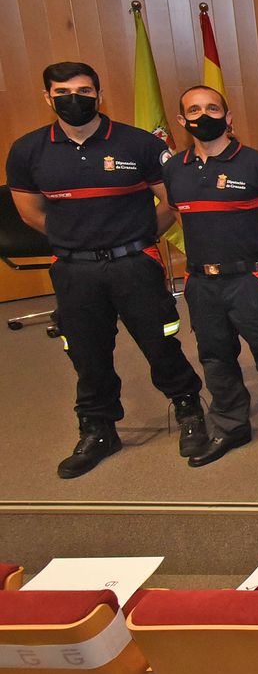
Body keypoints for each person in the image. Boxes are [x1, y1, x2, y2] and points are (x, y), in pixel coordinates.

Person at [7, 61, 206, 478]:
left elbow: (171, 202)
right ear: (48, 98)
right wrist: (79, 240)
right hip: (74, 271)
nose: (73, 99)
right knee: (86, 352)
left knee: (161, 342)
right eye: (62, 92)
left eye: (83, 90)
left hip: (134, 264)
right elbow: (30, 213)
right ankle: (98, 428)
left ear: (99, 94)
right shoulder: (29, 150)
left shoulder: (139, 145)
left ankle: (188, 410)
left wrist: (136, 237)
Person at [164, 85, 258, 467]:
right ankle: (231, 425)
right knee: (215, 356)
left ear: (228, 117)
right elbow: (180, 215)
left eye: (213, 108)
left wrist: (252, 253)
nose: (204, 116)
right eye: (194, 110)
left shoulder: (257, 164)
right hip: (200, 282)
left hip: (250, 279)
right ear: (182, 121)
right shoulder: (174, 169)